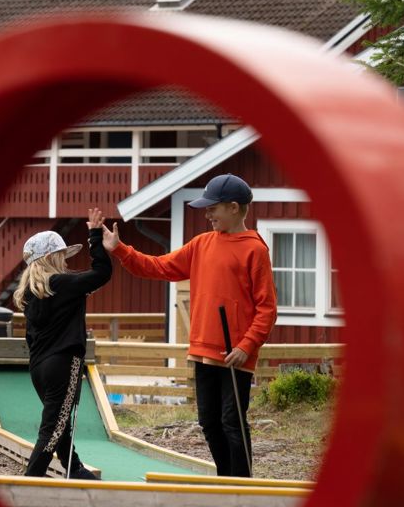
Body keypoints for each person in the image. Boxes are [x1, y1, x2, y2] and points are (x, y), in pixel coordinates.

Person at [102, 174, 277, 477]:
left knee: (232, 422)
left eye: (213, 209)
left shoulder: (255, 250)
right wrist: (120, 249)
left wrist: (245, 346)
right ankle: (226, 479)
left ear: (234, 208)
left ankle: (245, 487)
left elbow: (267, 308)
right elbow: (159, 266)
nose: (207, 214)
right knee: (208, 421)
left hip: (235, 355)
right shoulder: (201, 244)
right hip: (202, 350)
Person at [15, 209, 111, 480]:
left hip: (38, 368)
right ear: (52, 258)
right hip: (63, 363)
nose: (66, 262)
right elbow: (102, 273)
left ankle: (74, 468)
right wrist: (94, 236)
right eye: (62, 256)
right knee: (54, 428)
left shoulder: (30, 293)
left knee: (60, 424)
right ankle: (31, 481)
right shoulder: (61, 283)